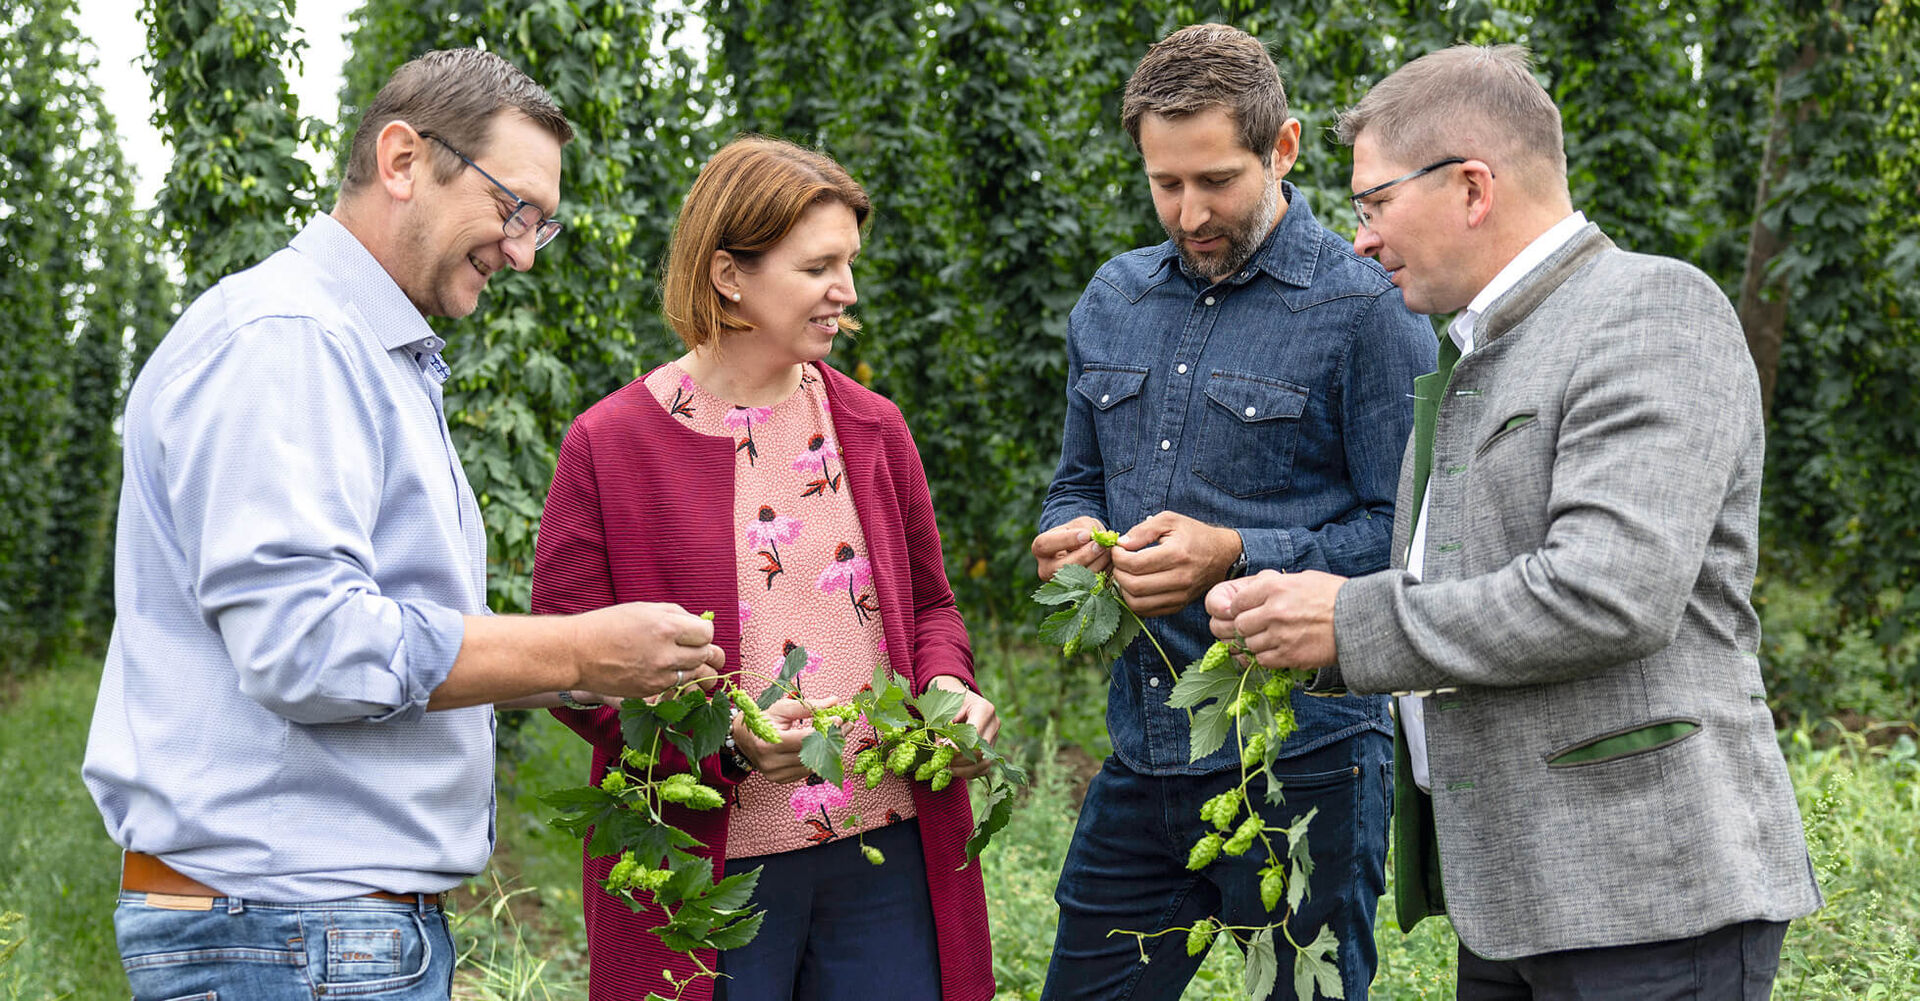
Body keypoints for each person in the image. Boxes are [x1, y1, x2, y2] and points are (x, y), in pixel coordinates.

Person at [83, 49, 725, 1001]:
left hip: (311, 929)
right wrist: (580, 656)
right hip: (290, 930)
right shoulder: (293, 340)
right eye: (513, 210)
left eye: (541, 227)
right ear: (402, 160)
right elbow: (310, 645)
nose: (521, 252)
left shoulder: (367, 353)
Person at [1206, 43, 1823, 1000]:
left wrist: (1351, 622)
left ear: (1472, 187)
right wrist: (1303, 633)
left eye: (1373, 204)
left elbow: (1608, 592)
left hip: (1648, 903)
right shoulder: (1473, 360)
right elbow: (1458, 600)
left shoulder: (1650, 310)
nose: (1360, 238)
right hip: (1515, 897)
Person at [530, 134, 997, 1001]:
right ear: (728, 275)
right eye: (818, 266)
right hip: (709, 865)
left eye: (849, 263)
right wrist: (723, 742)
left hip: (883, 849)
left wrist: (946, 690)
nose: (846, 292)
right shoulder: (612, 445)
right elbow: (569, 667)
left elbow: (931, 605)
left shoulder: (871, 428)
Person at [1032, 24, 1436, 1001]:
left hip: (1304, 757)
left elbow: (1411, 537)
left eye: (1215, 179)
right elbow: (1076, 480)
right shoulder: (1115, 298)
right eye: (1164, 183)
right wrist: (1074, 537)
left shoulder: (1368, 309)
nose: (1188, 211)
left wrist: (1239, 553)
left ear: (1283, 147)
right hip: (1143, 748)